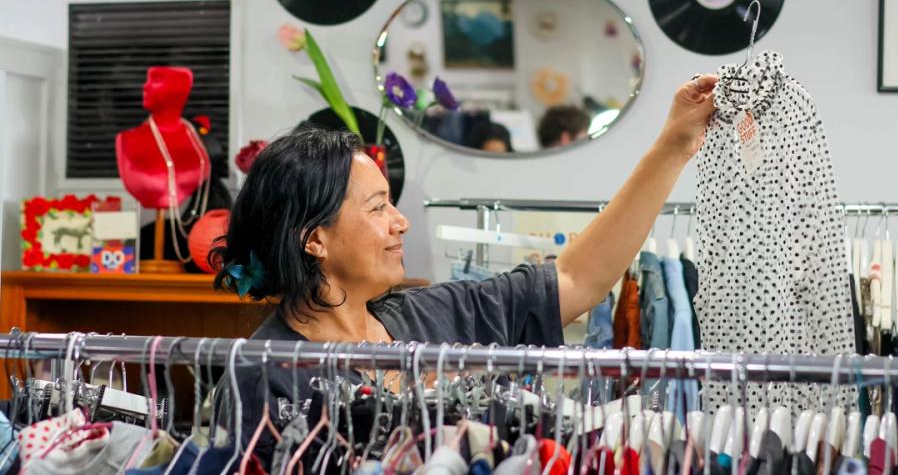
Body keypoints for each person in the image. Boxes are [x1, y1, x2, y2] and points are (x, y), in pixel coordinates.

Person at [212, 74, 718, 461]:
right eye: (378, 207)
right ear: (314, 239)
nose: (400, 222)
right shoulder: (261, 377)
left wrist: (673, 146)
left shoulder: (436, 317)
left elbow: (577, 278)